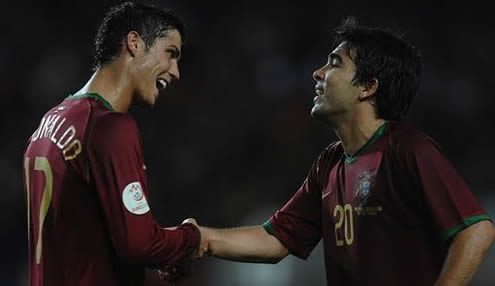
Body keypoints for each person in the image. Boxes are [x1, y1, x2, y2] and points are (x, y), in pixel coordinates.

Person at [175, 18, 495, 285]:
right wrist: (202, 238)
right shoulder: (330, 162)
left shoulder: (407, 149)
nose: (317, 74)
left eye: (334, 64)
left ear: (368, 86)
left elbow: (477, 229)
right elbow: (277, 240)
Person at [22, 2, 207, 285]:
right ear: (134, 43)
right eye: (170, 54)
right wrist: (192, 237)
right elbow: (139, 244)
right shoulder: (109, 127)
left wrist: (162, 253)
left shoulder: (47, 124)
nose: (175, 71)